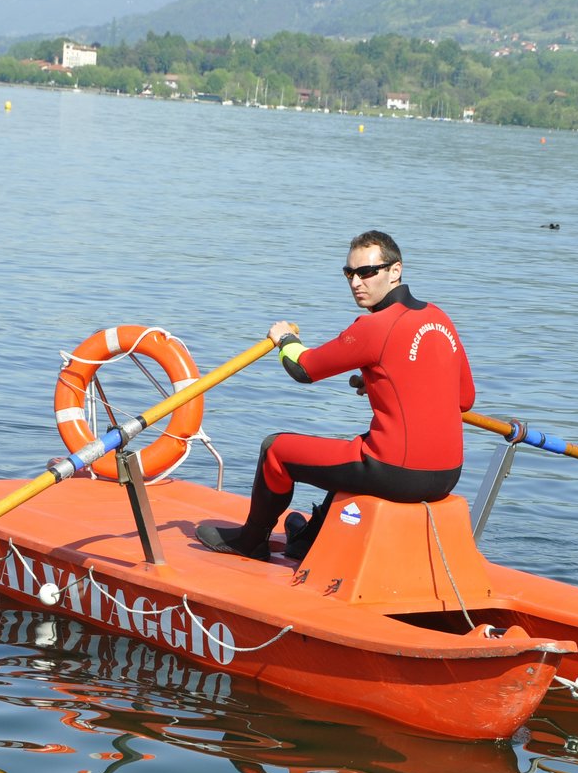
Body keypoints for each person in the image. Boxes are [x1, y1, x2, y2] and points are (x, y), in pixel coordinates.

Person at [196, 230, 475, 562]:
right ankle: (308, 539)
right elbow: (464, 399)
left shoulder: (375, 326)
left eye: (367, 272)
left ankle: (250, 541)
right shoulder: (439, 319)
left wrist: (284, 339)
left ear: (395, 271)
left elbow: (305, 369)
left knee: (276, 450)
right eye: (349, 273)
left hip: (395, 473)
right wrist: (378, 382)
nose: (356, 282)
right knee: (350, 449)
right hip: (448, 474)